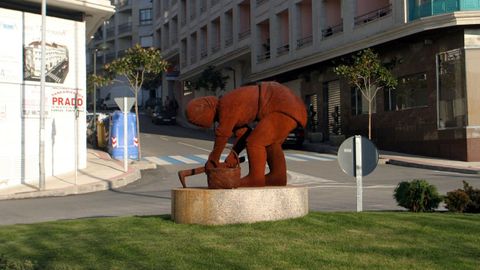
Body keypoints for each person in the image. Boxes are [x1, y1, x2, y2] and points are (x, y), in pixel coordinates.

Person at [186, 81, 307, 187]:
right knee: (269, 142)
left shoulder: (226, 104)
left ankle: (255, 178)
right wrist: (234, 154)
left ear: (206, 112)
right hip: (288, 107)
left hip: (283, 105)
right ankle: (277, 177)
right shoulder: (231, 109)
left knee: (255, 142)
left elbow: (222, 134)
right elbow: (245, 134)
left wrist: (213, 159)